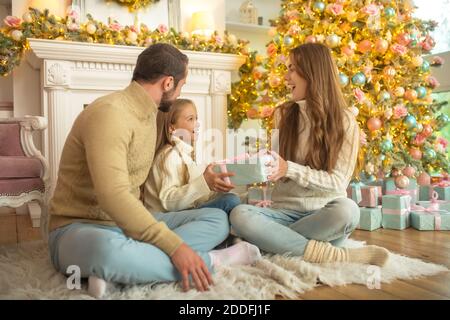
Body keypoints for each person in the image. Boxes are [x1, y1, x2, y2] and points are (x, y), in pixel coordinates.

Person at [47, 43, 260, 299]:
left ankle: (130, 268)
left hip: (130, 227)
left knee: (215, 220)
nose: (182, 90)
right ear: (168, 83)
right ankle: (214, 260)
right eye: (182, 85)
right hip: (79, 228)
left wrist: (205, 181)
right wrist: (175, 247)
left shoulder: (151, 115)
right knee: (107, 251)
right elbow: (113, 196)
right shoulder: (109, 113)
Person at [230, 43, 389, 266]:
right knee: (239, 214)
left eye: (292, 69)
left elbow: (337, 182)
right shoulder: (282, 115)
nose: (286, 77)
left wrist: (290, 169)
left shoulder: (345, 122)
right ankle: (328, 253)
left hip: (323, 214)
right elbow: (276, 167)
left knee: (348, 210)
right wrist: (249, 170)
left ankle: (276, 241)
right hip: (283, 211)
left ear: (313, 72)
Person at [143, 98, 241, 215]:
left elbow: (197, 198)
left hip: (181, 213)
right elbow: (168, 201)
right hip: (166, 217)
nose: (197, 123)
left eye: (196, 118)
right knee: (230, 201)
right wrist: (204, 182)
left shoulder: (184, 155)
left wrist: (216, 187)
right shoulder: (169, 155)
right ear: (171, 127)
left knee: (231, 197)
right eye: (190, 119)